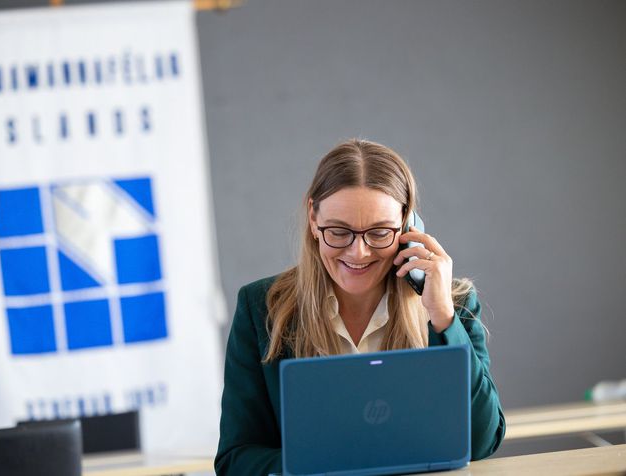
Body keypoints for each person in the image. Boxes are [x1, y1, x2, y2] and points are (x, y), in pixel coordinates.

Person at [215, 139, 506, 475]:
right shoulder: (262, 308)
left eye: (380, 232)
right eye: (339, 231)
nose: (359, 253)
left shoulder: (450, 304)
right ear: (313, 219)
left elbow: (483, 440)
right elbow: (235, 459)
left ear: (407, 225)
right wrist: (321, 465)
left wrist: (442, 317)